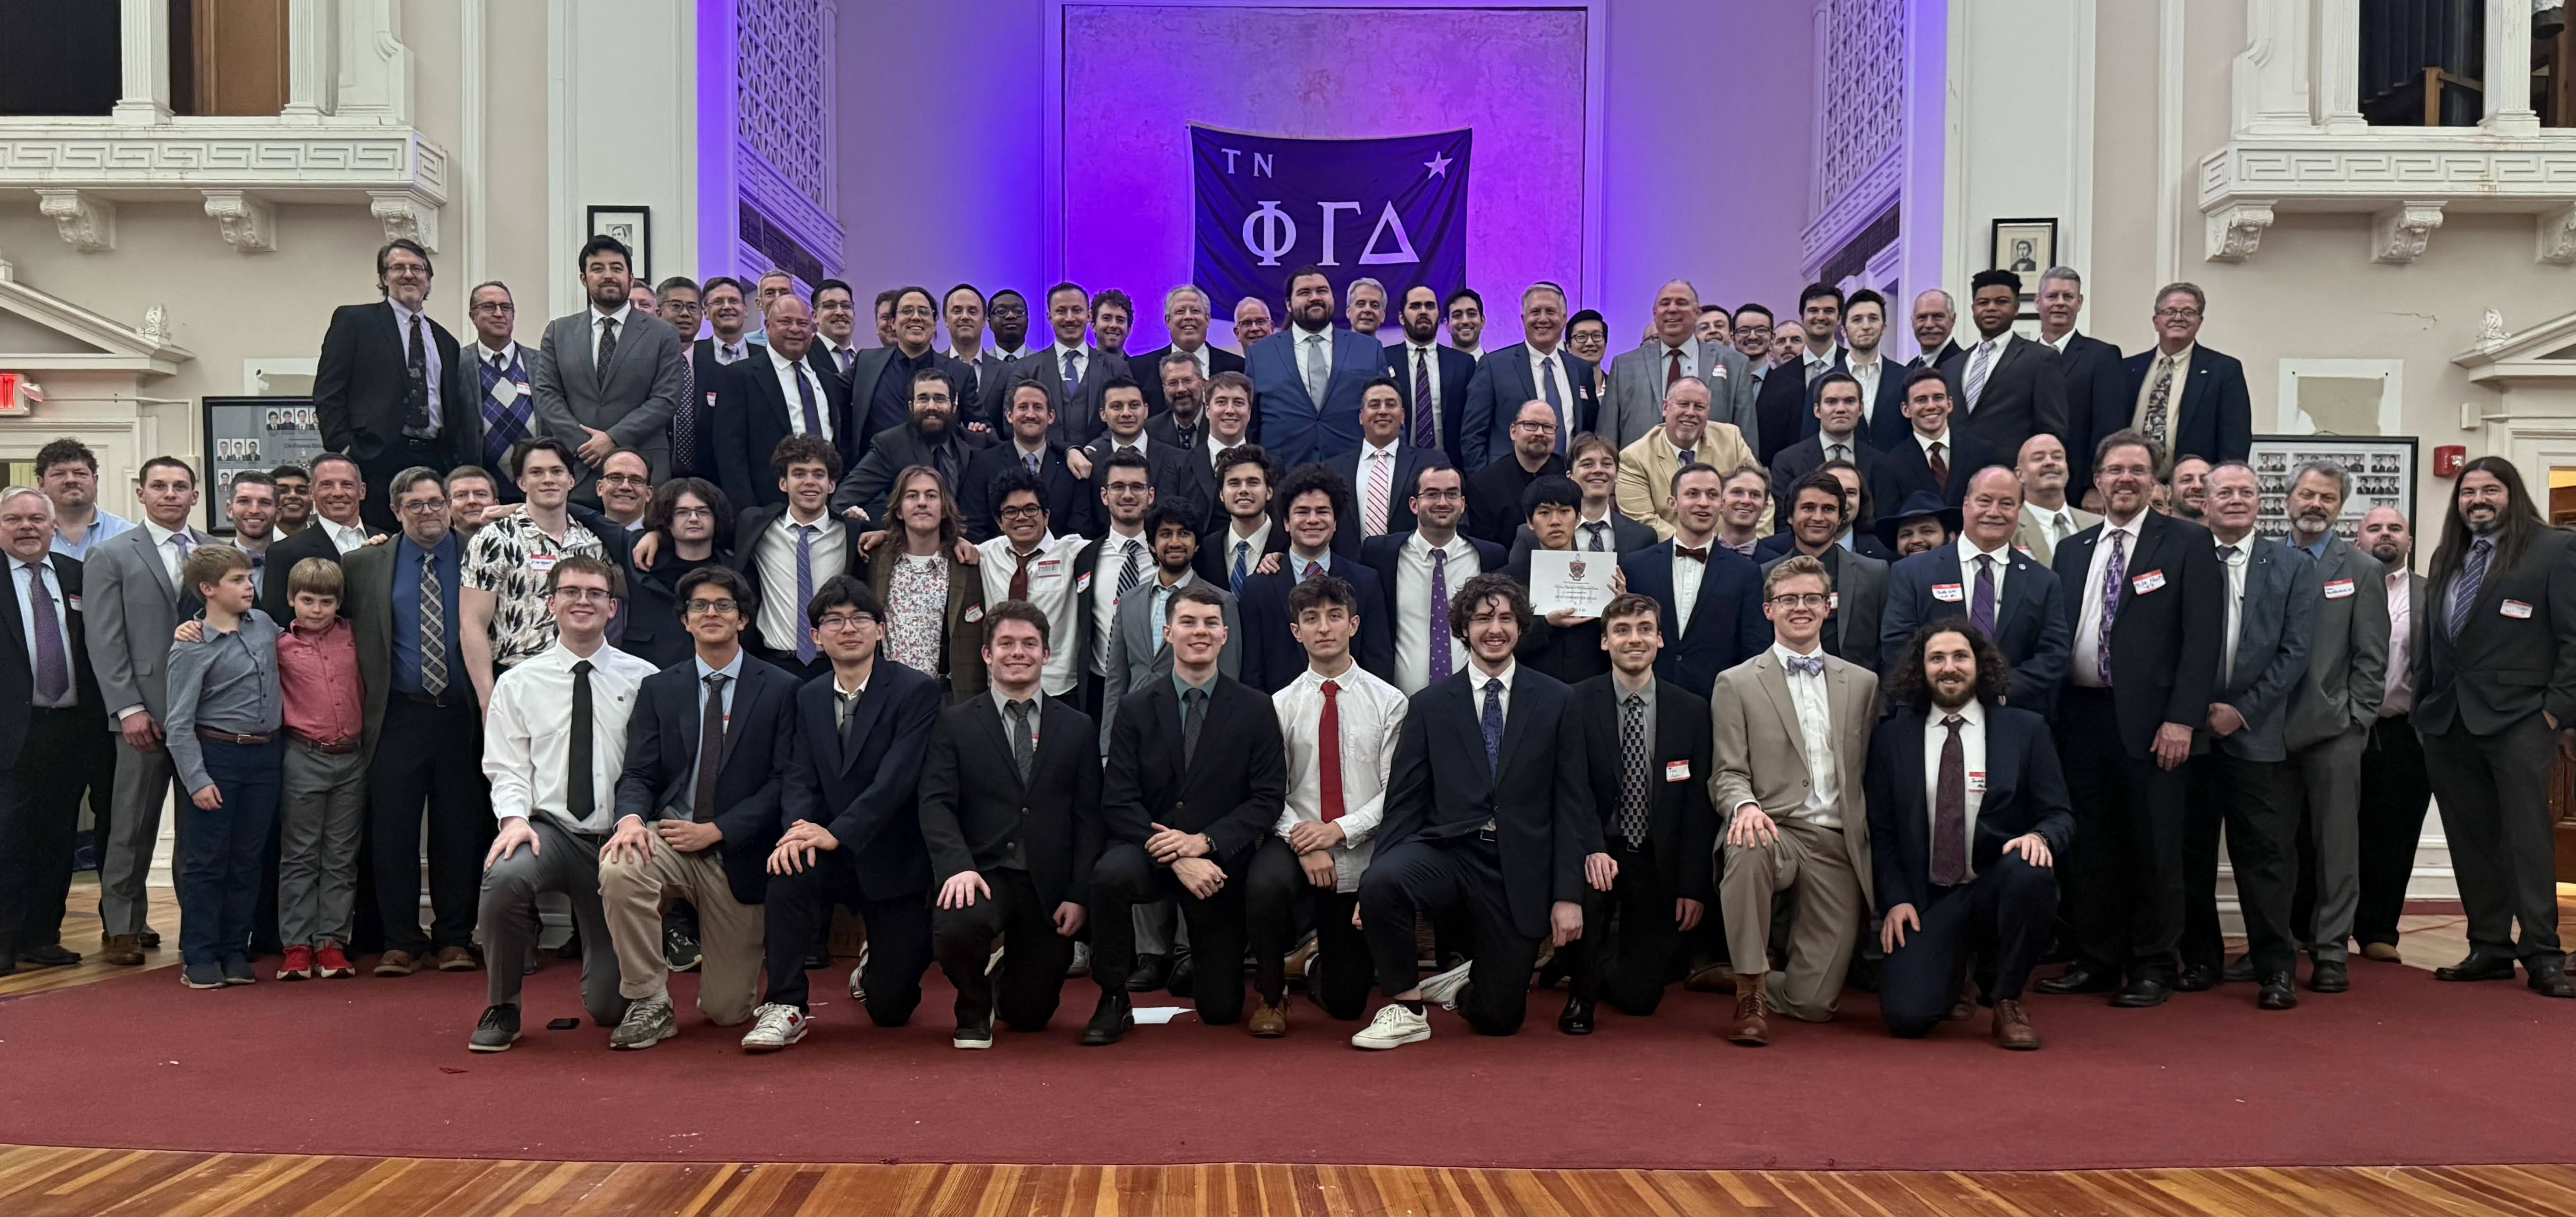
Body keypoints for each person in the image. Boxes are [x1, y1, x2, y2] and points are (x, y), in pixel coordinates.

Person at [1350, 574, 1592, 1049]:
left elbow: (1572, 802)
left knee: (1500, 1018)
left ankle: (1464, 985)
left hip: (1519, 865)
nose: (1494, 628)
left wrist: (1568, 894)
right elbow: (1404, 802)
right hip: (1451, 851)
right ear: (1464, 629)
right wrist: (1376, 881)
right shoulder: (1429, 705)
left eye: (1505, 617)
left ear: (1522, 626)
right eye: (1482, 618)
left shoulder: (1559, 700)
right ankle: (1408, 1007)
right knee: (1381, 881)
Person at [2039, 429, 2223, 1008]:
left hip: (2153, 723)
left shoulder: (2190, 542)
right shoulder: (2073, 550)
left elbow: (2202, 642)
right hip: (2081, 717)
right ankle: (2097, 958)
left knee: (2154, 847)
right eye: (2114, 470)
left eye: (2137, 471)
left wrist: (2182, 721)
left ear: (2154, 482)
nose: (2125, 479)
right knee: (2091, 847)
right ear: (2096, 480)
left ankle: (2152, 964)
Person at [596, 565, 795, 1049]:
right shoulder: (661, 688)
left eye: (723, 605)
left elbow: (784, 781)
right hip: (671, 837)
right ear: (684, 620)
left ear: (743, 618)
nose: (711, 613)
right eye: (699, 606)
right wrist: (630, 820)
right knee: (621, 863)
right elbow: (639, 773)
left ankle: (703, 957)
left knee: (729, 1012)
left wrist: (719, 829)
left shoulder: (782, 688)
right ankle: (649, 999)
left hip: (739, 850)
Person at [744, 577, 944, 1051]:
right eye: (833, 620)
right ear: (815, 636)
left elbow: (896, 780)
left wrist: (837, 832)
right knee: (788, 868)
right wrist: (797, 829)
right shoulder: (807, 695)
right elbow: (797, 773)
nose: (847, 628)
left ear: (881, 628)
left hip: (893, 856)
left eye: (860, 618)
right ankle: (785, 1003)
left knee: (891, 1009)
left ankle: (876, 961)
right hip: (826, 849)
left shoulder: (917, 691)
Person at [466, 555, 657, 1049]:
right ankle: (502, 1005)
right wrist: (512, 820)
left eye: (595, 593)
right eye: (570, 591)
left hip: (618, 840)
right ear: (550, 603)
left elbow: (659, 765)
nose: (583, 601)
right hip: (549, 830)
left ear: (611, 607)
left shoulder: (645, 679)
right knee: (505, 872)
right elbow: (506, 765)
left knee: (608, 1009)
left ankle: (611, 980)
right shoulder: (519, 682)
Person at [1087, 583, 1289, 1043]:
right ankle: (1112, 996)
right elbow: (1118, 798)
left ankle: (1196, 964)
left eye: (1210, 623)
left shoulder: (1256, 708)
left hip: (1217, 865)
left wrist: (1206, 843)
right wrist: (1178, 855)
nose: (1200, 631)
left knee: (1220, 1010)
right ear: (1167, 631)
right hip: (1151, 851)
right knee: (1109, 876)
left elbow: (1266, 798)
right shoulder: (1136, 707)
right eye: (1188, 622)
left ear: (1224, 633)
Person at [2412, 456, 2576, 998]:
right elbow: (2435, 640)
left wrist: (2556, 709)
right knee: (2471, 838)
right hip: (2448, 719)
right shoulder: (2446, 554)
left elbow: (2573, 636)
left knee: (2526, 838)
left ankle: (2544, 953)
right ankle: (2489, 946)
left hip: (2521, 718)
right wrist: (2424, 706)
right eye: (2468, 492)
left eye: (2489, 490)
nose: (2477, 499)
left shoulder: (2554, 548)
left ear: (2512, 494)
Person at [1867, 621, 2070, 1049]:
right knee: (1907, 1017)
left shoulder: (2024, 729)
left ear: (1980, 665)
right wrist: (1896, 898)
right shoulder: (1891, 739)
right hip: (1927, 899)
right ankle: (1955, 970)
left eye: (1960, 656)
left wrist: (2042, 837)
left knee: (2031, 871)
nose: (1949, 667)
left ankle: (2007, 998)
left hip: (1995, 885)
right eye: (1936, 658)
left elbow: (2059, 814)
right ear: (1920, 670)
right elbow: (1881, 833)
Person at [1708, 555, 1879, 1043]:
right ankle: (1749, 990)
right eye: (1788, 599)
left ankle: (1757, 975)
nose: (1800, 607)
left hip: (1837, 839)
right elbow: (1728, 771)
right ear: (1769, 610)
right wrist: (1744, 806)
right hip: (1773, 829)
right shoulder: (1736, 682)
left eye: (1810, 598)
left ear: (1829, 606)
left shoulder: (1863, 684)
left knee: (1814, 1004)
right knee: (1746, 841)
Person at [918, 601, 1103, 1048]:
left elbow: (1089, 817)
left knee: (1029, 1017)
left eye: (1028, 644)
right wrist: (956, 866)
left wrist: (1078, 895)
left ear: (1046, 653)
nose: (1017, 652)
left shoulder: (1077, 727)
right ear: (987, 654)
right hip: (981, 872)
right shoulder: (954, 722)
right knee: (957, 924)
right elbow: (935, 802)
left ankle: (1005, 974)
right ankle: (973, 1004)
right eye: (1005, 643)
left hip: (1048, 884)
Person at [2178, 462, 2319, 1010]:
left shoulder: (2291, 564)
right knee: (2190, 851)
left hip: (2255, 735)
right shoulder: (2184, 556)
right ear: (2203, 502)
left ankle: (2274, 967)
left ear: (2263, 501)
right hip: (2189, 732)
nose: (2236, 499)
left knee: (2264, 855)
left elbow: (2295, 653)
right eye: (2224, 492)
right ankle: (2202, 959)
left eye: (2247, 491)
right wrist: (2192, 712)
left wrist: (2242, 711)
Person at [1244, 574, 1406, 1035]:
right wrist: (1305, 840)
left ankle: (1313, 960)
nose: (1324, 627)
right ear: (1296, 631)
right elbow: (1269, 789)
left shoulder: (1389, 701)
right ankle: (1272, 995)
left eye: (1335, 616)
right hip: (1297, 838)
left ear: (1354, 624)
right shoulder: (1279, 705)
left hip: (1362, 843)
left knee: (1346, 1003)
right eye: (1311, 619)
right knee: (1265, 883)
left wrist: (1339, 831)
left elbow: (1395, 792)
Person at [344, 467, 490, 976]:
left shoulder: (481, 553)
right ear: (396, 510)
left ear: (449, 505)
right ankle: (400, 939)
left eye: (435, 502)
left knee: (460, 829)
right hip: (397, 715)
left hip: (462, 715)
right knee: (393, 832)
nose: (427, 512)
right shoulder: (363, 565)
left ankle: (453, 937)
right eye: (415, 504)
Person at [1554, 593, 1715, 1033]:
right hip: (1597, 848)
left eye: (1645, 628)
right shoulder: (1574, 702)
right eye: (1622, 630)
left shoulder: (1692, 710)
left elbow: (1699, 807)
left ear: (1660, 640)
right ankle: (1578, 995)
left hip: (1654, 856)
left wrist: (1692, 886)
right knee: (1592, 888)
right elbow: (1572, 787)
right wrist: (1590, 848)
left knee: (1641, 999)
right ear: (1604, 642)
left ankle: (1586, 961)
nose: (1634, 639)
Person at [86, 456, 217, 965]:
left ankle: (200, 927)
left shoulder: (215, 551)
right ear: (140, 493)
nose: (170, 494)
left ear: (194, 494)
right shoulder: (112, 554)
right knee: (131, 825)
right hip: (145, 715)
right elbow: (104, 640)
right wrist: (128, 707)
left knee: (200, 832)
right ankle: (123, 924)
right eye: (158, 486)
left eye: (180, 486)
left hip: (206, 716)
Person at [2275, 461, 2387, 995]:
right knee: (2271, 849)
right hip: (2265, 730)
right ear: (2288, 497)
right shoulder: (2264, 557)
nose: (2315, 504)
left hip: (2333, 731)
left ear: (2342, 506)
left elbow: (2373, 655)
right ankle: (2271, 948)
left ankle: (2331, 951)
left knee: (2336, 848)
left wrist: (2357, 720)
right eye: (2307, 494)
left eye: (2328, 497)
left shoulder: (2361, 568)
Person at [160, 545, 283, 989]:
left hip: (265, 756)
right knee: (207, 861)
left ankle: (235, 949)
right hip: (218, 757)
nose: (248, 586)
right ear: (208, 589)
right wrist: (196, 779)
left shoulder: (265, 626)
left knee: (247, 859)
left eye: (249, 578)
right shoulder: (192, 646)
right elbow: (178, 723)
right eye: (236, 580)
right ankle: (200, 954)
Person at [0, 488, 102, 975]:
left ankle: (42, 935)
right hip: (9, 733)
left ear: (52, 524)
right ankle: (3, 941)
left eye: (36, 519)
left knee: (57, 838)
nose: (26, 527)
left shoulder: (76, 575)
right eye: (14, 519)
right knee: (7, 840)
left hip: (68, 731)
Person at [1881, 467, 2070, 716]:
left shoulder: (2044, 581)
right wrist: (1948, 689)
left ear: (2019, 511)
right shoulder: (1912, 572)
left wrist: (1998, 690)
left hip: (2011, 715)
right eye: (1985, 501)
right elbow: (1897, 643)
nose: (1994, 512)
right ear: (1966, 504)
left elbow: (2054, 653)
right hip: (1928, 713)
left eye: (2006, 503)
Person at [315, 239, 474, 531]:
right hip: (375, 457)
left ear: (429, 280)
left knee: (431, 537)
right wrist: (344, 449)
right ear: (383, 278)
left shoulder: (446, 341)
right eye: (398, 268)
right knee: (380, 545)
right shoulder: (356, 322)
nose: (409, 275)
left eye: (418, 269)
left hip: (434, 457)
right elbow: (329, 391)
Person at [462, 438, 624, 709]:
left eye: (557, 471)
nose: (548, 479)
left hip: (583, 680)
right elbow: (472, 625)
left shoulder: (593, 543)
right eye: (537, 472)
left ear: (571, 480)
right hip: (517, 680)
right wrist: (488, 700)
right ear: (522, 483)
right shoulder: (494, 539)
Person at [270, 557, 366, 981]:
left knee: (341, 856)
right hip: (302, 756)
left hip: (352, 759)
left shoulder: (354, 636)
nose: (316, 609)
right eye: (307, 600)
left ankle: (331, 943)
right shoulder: (277, 644)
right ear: (292, 599)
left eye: (326, 601)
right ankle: (296, 944)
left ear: (338, 603)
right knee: (300, 854)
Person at [531, 236, 688, 486]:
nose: (608, 275)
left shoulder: (663, 333)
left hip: (642, 466)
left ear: (631, 278)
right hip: (577, 463)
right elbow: (547, 396)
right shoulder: (558, 331)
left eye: (617, 268)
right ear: (584, 279)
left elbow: (666, 399)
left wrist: (614, 439)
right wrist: (585, 446)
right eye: (597, 269)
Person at [1616, 462, 1769, 701]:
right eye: (1692, 494)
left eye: (1712, 495)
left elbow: (1754, 647)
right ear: (1672, 503)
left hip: (1717, 702)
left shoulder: (1746, 573)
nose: (1703, 503)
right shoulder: (1636, 566)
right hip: (1646, 697)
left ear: (1722, 504)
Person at [1235, 465, 1393, 692]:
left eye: (1322, 511)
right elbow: (1252, 671)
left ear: (1335, 522)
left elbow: (1379, 663)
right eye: (1302, 512)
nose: (1312, 520)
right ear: (1287, 523)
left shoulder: (1365, 581)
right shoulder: (1258, 587)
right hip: (1281, 716)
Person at [1101, 504, 1245, 745]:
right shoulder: (1129, 601)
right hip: (1136, 730)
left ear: (1197, 545)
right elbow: (1116, 677)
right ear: (1152, 545)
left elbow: (1229, 677)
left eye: (1184, 533)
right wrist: (1107, 746)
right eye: (1166, 534)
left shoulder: (1222, 602)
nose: (1175, 542)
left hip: (1196, 729)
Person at [2352, 506, 2428, 963]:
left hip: (2403, 733)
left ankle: (2379, 929)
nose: (2386, 534)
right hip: (2341, 728)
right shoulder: (2334, 585)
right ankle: (2316, 927)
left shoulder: (2431, 593)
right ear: (2357, 539)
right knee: (2325, 831)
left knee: (2394, 835)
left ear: (2409, 541)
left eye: (2395, 528)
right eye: (2375, 527)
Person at [728, 435, 860, 682]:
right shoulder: (755, 525)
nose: (809, 482)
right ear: (783, 483)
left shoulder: (851, 532)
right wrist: (656, 536)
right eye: (799, 474)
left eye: (818, 474)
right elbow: (700, 536)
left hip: (834, 665)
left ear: (832, 485)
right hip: (771, 663)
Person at [1361, 463, 1501, 696]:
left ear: (1463, 504)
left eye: (1452, 494)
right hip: (1399, 702)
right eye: (1433, 494)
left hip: (1473, 701)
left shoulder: (1490, 557)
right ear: (1414, 505)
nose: (1443, 503)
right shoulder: (1380, 554)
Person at [714, 295, 854, 512]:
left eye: (803, 323)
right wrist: (748, 513)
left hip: (828, 507)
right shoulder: (740, 377)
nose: (795, 329)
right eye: (786, 322)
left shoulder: (829, 380)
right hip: (767, 508)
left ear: (813, 328)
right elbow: (730, 453)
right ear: (768, 326)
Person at [973, 469, 1100, 701]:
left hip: (1059, 688)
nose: (1022, 517)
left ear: (1047, 516)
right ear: (999, 522)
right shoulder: (983, 555)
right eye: (1011, 511)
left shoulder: (1075, 553)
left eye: (1031, 509)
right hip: (999, 687)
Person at [868, 466, 987, 698]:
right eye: (912, 496)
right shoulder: (875, 559)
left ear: (944, 509)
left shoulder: (966, 562)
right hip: (887, 693)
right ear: (899, 510)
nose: (922, 503)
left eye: (931, 496)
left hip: (946, 695)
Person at [1247, 267, 1386, 466]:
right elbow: (1252, 426)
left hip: (1354, 473)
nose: (1315, 298)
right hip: (1283, 475)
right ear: (1288, 304)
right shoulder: (1260, 354)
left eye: (1322, 291)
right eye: (1305, 293)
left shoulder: (1368, 349)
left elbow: (1389, 415)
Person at [1606, 280, 1761, 455]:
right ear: (1655, 313)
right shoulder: (1624, 365)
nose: (1672, 309)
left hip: (1713, 476)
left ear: (1697, 313)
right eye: (1665, 304)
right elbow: (1607, 436)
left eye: (1681, 303)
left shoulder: (1735, 363)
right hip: (1639, 475)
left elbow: (1747, 436)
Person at [1460, 282, 1597, 471]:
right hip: (1508, 484)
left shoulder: (1581, 369)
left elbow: (1588, 432)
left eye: (1551, 311)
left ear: (1564, 318)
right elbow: (1473, 435)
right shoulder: (1494, 366)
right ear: (1523, 319)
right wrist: (1484, 484)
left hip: (1568, 484)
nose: (1543, 319)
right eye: (1535, 312)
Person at [838, 368, 995, 530]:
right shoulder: (890, 445)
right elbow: (843, 500)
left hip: (968, 545)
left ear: (954, 405)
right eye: (923, 399)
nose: (931, 406)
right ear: (912, 406)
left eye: (940, 399)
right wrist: (884, 532)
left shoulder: (975, 443)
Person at [1763, 473, 1888, 671]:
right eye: (1808, 508)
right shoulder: (1764, 575)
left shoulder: (1874, 574)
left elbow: (1886, 650)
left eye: (1828, 509)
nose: (1818, 517)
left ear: (1840, 519)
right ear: (1789, 516)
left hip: (1856, 694)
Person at [1937, 270, 2066, 461]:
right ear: (1973, 309)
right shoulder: (1951, 366)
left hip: (2012, 478)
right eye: (1983, 303)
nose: (1991, 308)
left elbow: (2051, 430)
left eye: (2001, 302)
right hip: (1958, 478)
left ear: (2016, 308)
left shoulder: (2041, 359)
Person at [1615, 378, 1764, 542]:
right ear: (1665, 408)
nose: (1691, 413)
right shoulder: (1634, 457)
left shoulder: (1731, 439)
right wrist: (1700, 547)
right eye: (1684, 404)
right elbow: (1644, 522)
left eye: (1699, 407)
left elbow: (1763, 497)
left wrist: (1754, 546)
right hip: (1668, 554)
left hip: (1735, 550)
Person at [2121, 282, 2251, 469]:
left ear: (2200, 321)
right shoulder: (2127, 369)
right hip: (2132, 481)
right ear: (2156, 321)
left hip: (2194, 487)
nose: (2178, 318)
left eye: (2188, 312)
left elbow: (2235, 441)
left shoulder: (2224, 370)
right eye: (2170, 311)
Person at [1505, 476, 1613, 685]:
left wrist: (1619, 606)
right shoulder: (1508, 580)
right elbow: (1501, 642)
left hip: (1592, 690)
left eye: (1564, 512)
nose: (1555, 521)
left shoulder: (1603, 572)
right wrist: (1546, 624)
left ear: (1578, 517)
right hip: (1531, 690)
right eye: (1544, 513)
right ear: (1530, 522)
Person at [2032, 267, 2129, 499]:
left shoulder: (2102, 356)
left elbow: (2109, 428)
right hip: (2028, 485)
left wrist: (2096, 487)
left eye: (2068, 297)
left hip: (2078, 488)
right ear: (2038, 302)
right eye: (2052, 296)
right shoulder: (2021, 357)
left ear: (2080, 302)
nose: (2060, 303)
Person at [620, 478, 736, 670]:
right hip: (649, 667)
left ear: (717, 518)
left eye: (703, 512)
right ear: (667, 519)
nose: (693, 519)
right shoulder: (642, 557)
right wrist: (653, 533)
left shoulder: (734, 568)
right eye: (682, 512)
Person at [995, 282, 1128, 447]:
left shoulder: (1117, 368)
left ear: (1089, 316)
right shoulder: (1025, 368)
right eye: (1061, 311)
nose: (1070, 318)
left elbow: (1128, 419)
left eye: (1077, 310)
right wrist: (1065, 451)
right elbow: (1011, 424)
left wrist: (1094, 450)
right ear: (1049, 317)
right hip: (1044, 467)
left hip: (1101, 464)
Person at [846, 286, 976, 447]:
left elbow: (981, 428)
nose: (916, 317)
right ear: (893, 322)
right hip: (875, 468)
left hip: (936, 469)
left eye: (923, 311)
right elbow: (830, 393)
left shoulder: (961, 373)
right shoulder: (866, 362)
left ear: (935, 323)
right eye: (907, 311)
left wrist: (978, 431)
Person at [256, 454, 378, 625]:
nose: (338, 493)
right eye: (327, 485)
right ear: (312, 492)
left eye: (347, 485)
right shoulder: (284, 553)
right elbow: (279, 623)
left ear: (362, 491)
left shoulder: (389, 542)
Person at [1080, 451, 1157, 707]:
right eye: (1118, 487)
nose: (1127, 495)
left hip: (1157, 688)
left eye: (1137, 487)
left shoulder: (1170, 554)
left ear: (1151, 495)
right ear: (1105, 496)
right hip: (1099, 689)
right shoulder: (1085, 556)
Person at [1509, 433, 1656, 560]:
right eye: (1587, 464)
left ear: (1617, 475)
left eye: (1607, 464)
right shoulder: (1531, 535)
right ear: (1570, 476)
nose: (1598, 470)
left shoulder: (1642, 537)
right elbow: (1514, 587)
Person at [1321, 378, 1431, 550]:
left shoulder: (1429, 465)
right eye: (1374, 405)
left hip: (1411, 567)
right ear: (1361, 417)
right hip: (1349, 570)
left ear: (1402, 416)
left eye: (1390, 405)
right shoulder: (1333, 469)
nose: (1383, 411)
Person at [1870, 368, 1998, 513]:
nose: (1931, 406)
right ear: (1906, 410)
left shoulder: (1982, 453)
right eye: (1921, 400)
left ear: (1950, 404)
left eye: (1938, 398)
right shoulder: (1889, 467)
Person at [1752, 283, 1848, 465]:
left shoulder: (1853, 368)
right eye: (1813, 311)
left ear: (1839, 319)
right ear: (1802, 317)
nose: (1820, 317)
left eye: (1828, 311)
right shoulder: (1777, 378)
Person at [1079, 377, 1200, 522]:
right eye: (1117, 407)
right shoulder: (1090, 464)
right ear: (1103, 414)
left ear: (1146, 411)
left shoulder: (1180, 461)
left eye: (1134, 405)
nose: (1126, 413)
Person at [458, 282, 537, 501]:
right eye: (489, 307)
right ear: (473, 316)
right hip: (481, 488)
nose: (499, 314)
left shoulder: (541, 363)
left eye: (506, 307)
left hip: (533, 485)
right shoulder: (457, 364)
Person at [1770, 373, 1882, 524]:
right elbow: (1783, 520)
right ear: (1817, 410)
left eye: (1849, 401)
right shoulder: (1787, 461)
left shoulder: (1880, 462)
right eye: (1831, 402)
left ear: (1861, 409)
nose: (1841, 409)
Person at [1385, 285, 1477, 469]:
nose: (1423, 312)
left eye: (1430, 306)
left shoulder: (1463, 363)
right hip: (1398, 467)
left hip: (1451, 467)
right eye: (1415, 306)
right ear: (1402, 318)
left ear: (1439, 317)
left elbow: (1473, 424)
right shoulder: (1383, 358)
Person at [680, 277, 764, 480]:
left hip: (756, 471)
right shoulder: (691, 356)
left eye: (733, 301)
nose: (727, 307)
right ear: (706, 312)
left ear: (746, 309)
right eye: (718, 302)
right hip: (703, 473)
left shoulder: (766, 358)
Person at [1131, 284, 1246, 417]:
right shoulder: (1139, 369)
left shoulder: (1238, 367)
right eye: (1180, 311)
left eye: (1195, 311)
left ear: (1208, 319)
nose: (1188, 317)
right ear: (1168, 321)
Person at [1466, 401, 1568, 546]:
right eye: (1531, 425)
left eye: (1548, 427)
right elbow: (1487, 549)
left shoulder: (1570, 475)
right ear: (1513, 431)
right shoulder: (1484, 486)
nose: (1540, 433)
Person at [1196, 443, 1289, 595]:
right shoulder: (1205, 550)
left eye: (1253, 483)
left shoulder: (1290, 545)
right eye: (1234, 483)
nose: (1244, 490)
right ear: (1221, 495)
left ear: (1269, 492)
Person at [2012, 432, 2100, 568]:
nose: (2049, 462)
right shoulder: (2009, 528)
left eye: (2057, 457)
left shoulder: (2100, 525)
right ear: (2020, 475)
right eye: (2038, 458)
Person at [39, 439, 135, 560]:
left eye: (80, 473)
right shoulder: (27, 537)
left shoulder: (128, 535)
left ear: (96, 480)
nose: (71, 480)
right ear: (41, 483)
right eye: (59, 474)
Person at [1144, 349, 1213, 458]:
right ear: (1164, 389)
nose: (1181, 389)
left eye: (1188, 381)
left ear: (1204, 384)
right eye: (1173, 383)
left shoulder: (1219, 424)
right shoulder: (1150, 431)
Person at [224, 471, 281, 599]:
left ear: (278, 513)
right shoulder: (212, 569)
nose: (254, 510)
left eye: (265, 503)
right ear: (229, 510)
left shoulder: (294, 564)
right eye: (244, 501)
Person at [810, 280, 863, 380]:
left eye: (846, 306)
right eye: (830, 306)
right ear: (815, 316)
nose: (840, 312)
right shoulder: (805, 355)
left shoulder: (865, 361)